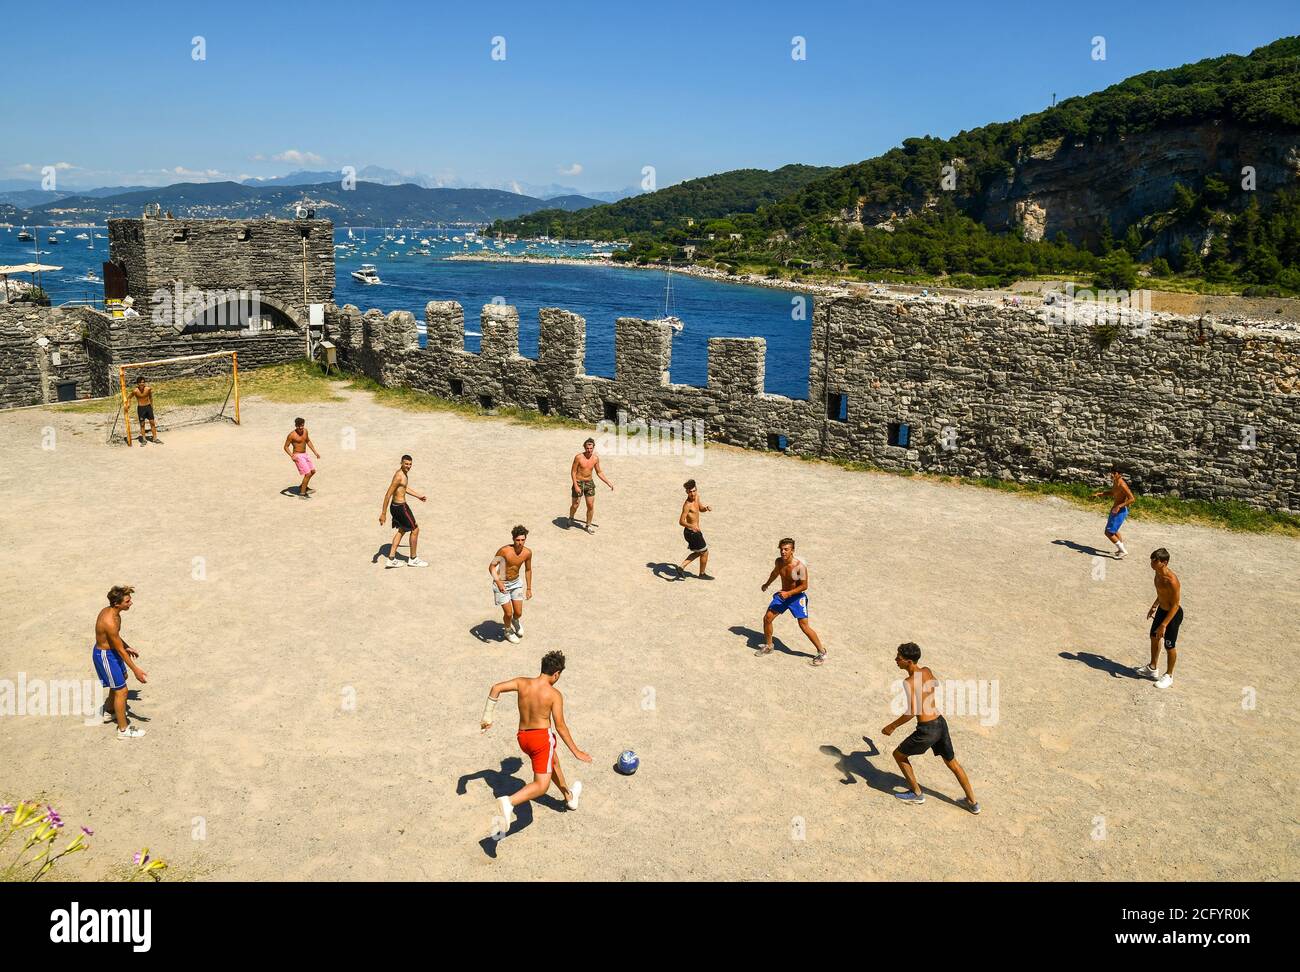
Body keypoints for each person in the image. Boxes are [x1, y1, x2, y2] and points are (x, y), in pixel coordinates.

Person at [480, 650, 590, 837]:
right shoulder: (554, 694)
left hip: (523, 738)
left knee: (552, 761)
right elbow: (561, 727)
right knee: (541, 785)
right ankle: (509, 803)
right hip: (541, 740)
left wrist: (487, 717)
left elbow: (495, 687)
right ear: (556, 674)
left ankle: (569, 797)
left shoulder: (522, 683)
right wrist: (576, 751)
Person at [881, 642, 980, 813]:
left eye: (900, 657)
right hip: (940, 723)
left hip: (927, 729)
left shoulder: (908, 682)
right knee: (953, 763)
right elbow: (934, 684)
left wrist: (892, 726)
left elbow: (913, 711)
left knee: (899, 755)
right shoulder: (926, 671)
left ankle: (916, 793)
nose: (896, 659)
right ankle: (973, 802)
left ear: (909, 661)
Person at [92, 585, 148, 739]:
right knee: (122, 691)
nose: (131, 603)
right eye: (128, 601)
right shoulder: (109, 621)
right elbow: (120, 651)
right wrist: (136, 669)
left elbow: (115, 638)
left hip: (112, 652)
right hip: (105, 656)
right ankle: (123, 730)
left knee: (121, 681)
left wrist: (127, 646)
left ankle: (109, 711)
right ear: (118, 604)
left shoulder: (114, 612)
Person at [759, 538, 826, 665]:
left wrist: (788, 593)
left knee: (804, 626)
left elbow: (803, 586)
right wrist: (766, 584)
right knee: (767, 618)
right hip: (783, 595)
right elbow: (775, 573)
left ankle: (821, 652)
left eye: (786, 549)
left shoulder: (798, 567)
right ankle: (769, 646)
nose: (783, 552)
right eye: (781, 549)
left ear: (792, 551)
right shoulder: (779, 562)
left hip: (796, 597)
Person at [1138, 548, 1183, 689]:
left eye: (1155, 561)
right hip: (1161, 610)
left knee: (1169, 645)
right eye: (1151, 560)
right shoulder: (1157, 574)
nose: (1152, 563)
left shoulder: (1172, 580)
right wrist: (1154, 605)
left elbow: (1175, 605)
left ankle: (1169, 675)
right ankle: (1152, 668)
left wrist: (1164, 625)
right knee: (1154, 637)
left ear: (1164, 563)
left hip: (1173, 615)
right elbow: (1162, 593)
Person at [380, 454, 427, 567]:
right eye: (406, 464)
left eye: (410, 464)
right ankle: (413, 559)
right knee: (415, 529)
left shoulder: (403, 474)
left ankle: (391, 558)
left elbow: (404, 488)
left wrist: (418, 496)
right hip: (401, 508)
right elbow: (387, 495)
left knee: (402, 529)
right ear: (401, 463)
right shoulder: (399, 476)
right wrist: (383, 513)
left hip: (396, 507)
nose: (408, 466)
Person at [489, 526, 533, 642]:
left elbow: (528, 570)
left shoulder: (527, 553)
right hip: (502, 583)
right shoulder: (504, 551)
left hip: (516, 583)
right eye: (518, 540)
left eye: (522, 540)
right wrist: (498, 582)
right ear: (513, 539)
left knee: (518, 613)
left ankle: (515, 621)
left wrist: (529, 588)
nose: (520, 543)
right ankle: (508, 631)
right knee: (508, 613)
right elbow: (492, 567)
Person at [568, 437, 613, 533]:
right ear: (584, 447)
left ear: (593, 448)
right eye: (587, 448)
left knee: (590, 505)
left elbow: (599, 472)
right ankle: (571, 518)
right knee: (575, 505)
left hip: (589, 483)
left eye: (591, 448)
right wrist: (575, 485)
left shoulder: (595, 458)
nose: (589, 450)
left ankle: (588, 525)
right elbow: (573, 472)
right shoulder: (578, 457)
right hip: (579, 482)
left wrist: (608, 482)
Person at [1091, 468, 1134, 558]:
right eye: (1111, 473)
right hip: (1115, 509)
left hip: (1120, 511)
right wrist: (1100, 494)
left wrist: (1119, 506)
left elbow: (1132, 499)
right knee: (1115, 530)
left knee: (1108, 532)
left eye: (1114, 473)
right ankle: (1120, 550)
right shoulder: (1115, 483)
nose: (1111, 475)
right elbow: (1112, 492)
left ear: (1119, 474)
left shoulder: (1123, 485)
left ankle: (1123, 551)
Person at [677, 479, 713, 579]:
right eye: (690, 492)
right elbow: (681, 521)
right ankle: (702, 574)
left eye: (694, 490)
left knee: (699, 552)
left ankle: (681, 567)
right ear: (687, 492)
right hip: (691, 532)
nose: (692, 493)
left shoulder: (697, 497)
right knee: (704, 552)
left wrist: (705, 508)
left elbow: (700, 508)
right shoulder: (687, 505)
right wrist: (692, 526)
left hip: (694, 532)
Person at [283, 417, 320, 498]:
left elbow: (308, 441)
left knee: (313, 471)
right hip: (297, 455)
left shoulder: (305, 431)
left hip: (305, 454)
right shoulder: (291, 435)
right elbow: (285, 447)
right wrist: (292, 455)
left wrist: (315, 452)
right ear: (296, 425)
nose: (300, 428)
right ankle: (302, 494)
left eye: (302, 425)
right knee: (308, 473)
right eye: (298, 426)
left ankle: (303, 487)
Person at [128, 375, 159, 444]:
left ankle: (155, 438)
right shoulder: (135, 391)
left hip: (148, 407)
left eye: (143, 382)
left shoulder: (148, 389)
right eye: (140, 382)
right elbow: (129, 397)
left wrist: (152, 406)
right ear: (138, 383)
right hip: (141, 408)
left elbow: (151, 398)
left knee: (152, 423)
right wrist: (129, 404)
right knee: (142, 424)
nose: (142, 384)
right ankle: (144, 439)